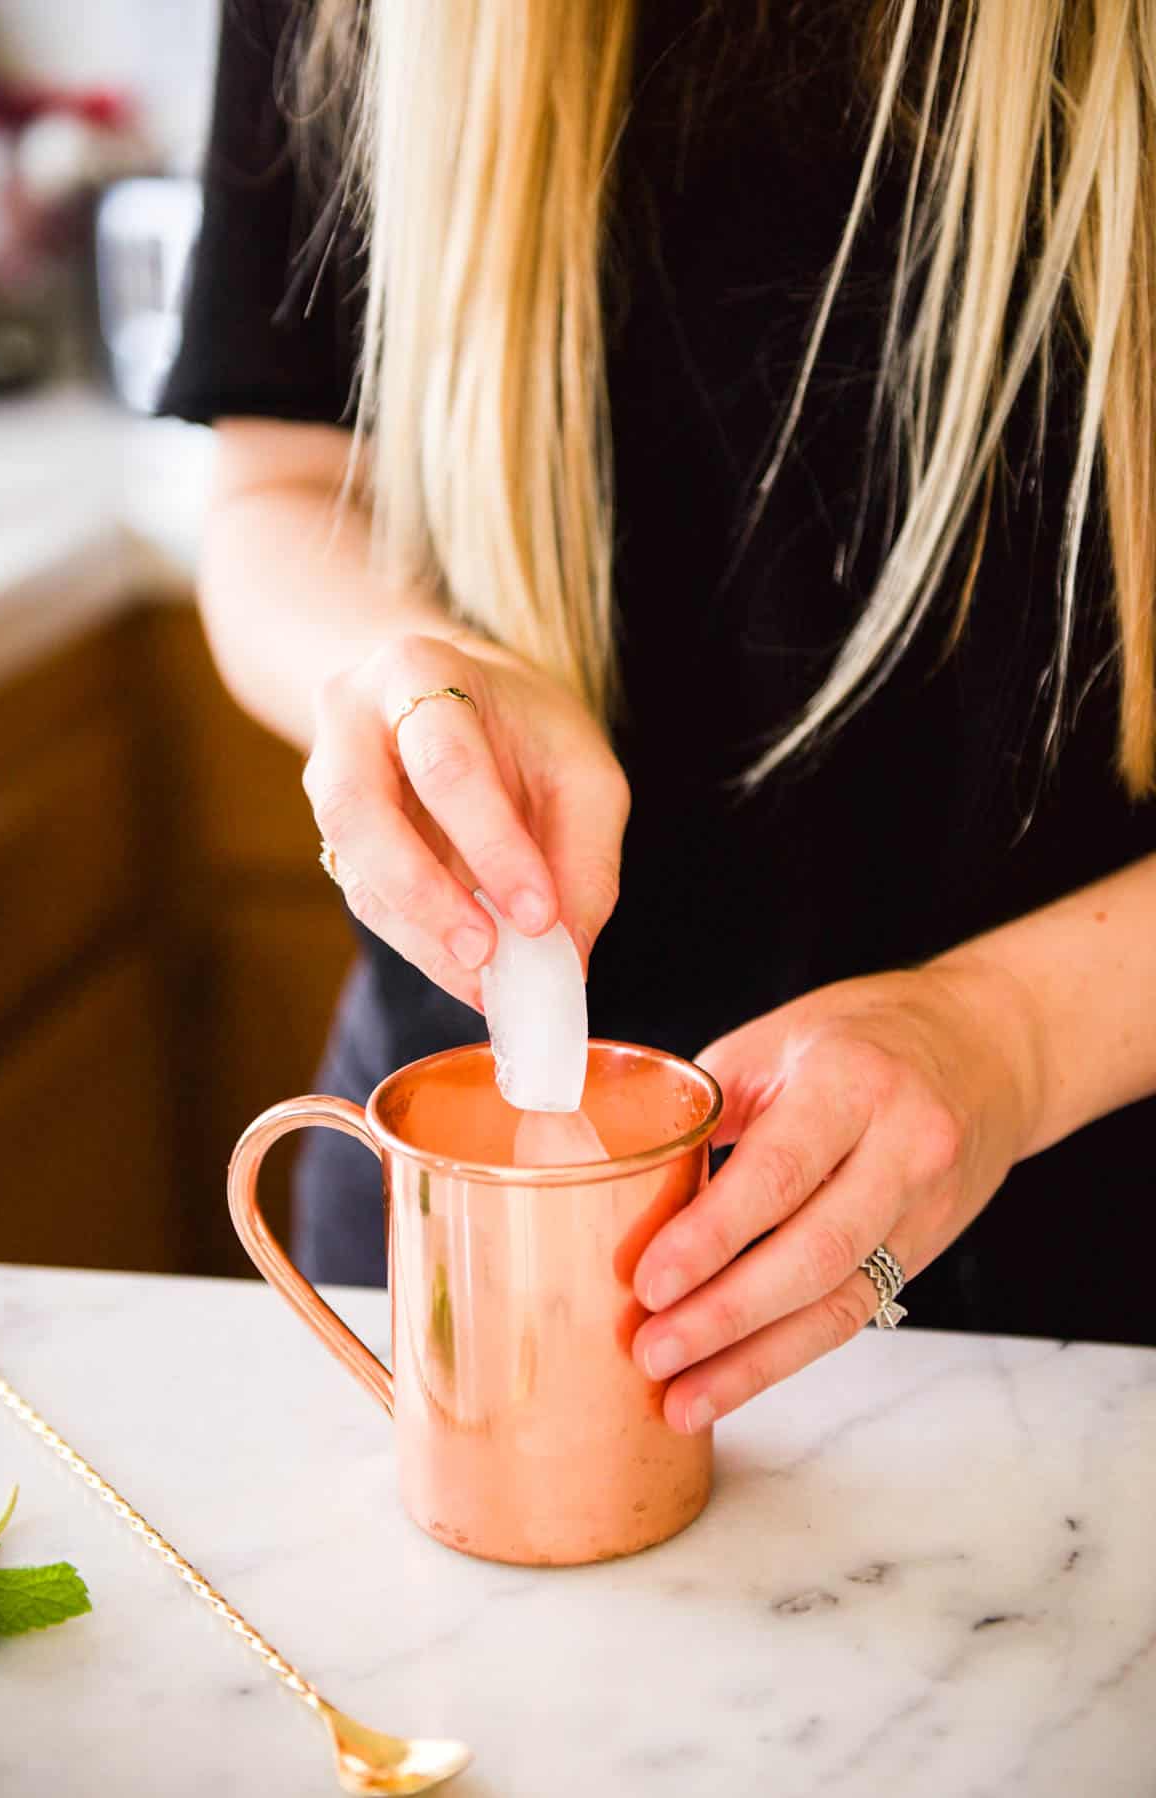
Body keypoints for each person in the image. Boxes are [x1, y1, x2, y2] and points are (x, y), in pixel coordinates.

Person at [162, 0, 1156, 1433]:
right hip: (450, 1256)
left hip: (1089, 1310)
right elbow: (276, 490)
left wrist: (1017, 1034)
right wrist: (404, 662)